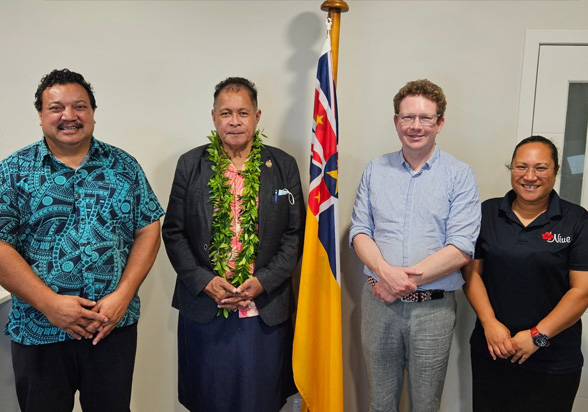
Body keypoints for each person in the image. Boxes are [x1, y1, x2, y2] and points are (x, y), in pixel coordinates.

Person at [0, 68, 164, 412]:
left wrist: (123, 295)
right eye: (56, 107)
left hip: (111, 328)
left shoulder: (124, 167)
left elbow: (148, 229)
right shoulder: (12, 171)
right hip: (39, 329)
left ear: (92, 112)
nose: (69, 116)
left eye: (80, 106)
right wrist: (49, 304)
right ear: (41, 115)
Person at [162, 77, 304, 412]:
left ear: (257, 116)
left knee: (261, 398)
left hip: (264, 310)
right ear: (214, 117)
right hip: (207, 308)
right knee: (209, 398)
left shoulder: (282, 165)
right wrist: (205, 281)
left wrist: (264, 280)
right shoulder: (190, 165)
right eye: (226, 113)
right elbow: (174, 232)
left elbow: (294, 234)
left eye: (243, 112)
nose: (235, 121)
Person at [350, 79, 481, 412]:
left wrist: (399, 283)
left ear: (440, 123)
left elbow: (461, 247)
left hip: (433, 311)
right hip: (378, 304)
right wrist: (385, 273)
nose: (416, 126)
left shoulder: (460, 175)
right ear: (396, 121)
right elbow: (360, 231)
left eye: (425, 118)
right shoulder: (375, 170)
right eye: (407, 117)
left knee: (426, 405)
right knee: (380, 404)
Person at [462, 136, 588, 412]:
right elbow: (471, 274)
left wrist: (536, 337)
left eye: (541, 168)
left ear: (556, 171)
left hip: (553, 359)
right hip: (493, 350)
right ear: (512, 169)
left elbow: (582, 291)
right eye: (521, 167)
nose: (530, 176)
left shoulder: (577, 220)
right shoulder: (487, 212)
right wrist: (489, 323)